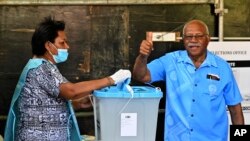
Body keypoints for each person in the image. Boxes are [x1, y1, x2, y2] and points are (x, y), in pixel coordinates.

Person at [4, 16, 131, 141]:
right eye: (62, 42)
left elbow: (46, 102)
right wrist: (111, 80)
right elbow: (71, 91)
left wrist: (77, 104)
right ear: (48, 45)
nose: (67, 47)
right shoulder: (41, 68)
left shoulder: (42, 66)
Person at [132, 19, 244, 141]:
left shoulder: (222, 67)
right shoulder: (170, 61)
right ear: (183, 40)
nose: (193, 40)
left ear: (208, 39)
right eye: (188, 36)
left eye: (199, 36)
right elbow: (141, 76)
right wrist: (143, 57)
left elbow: (236, 111)